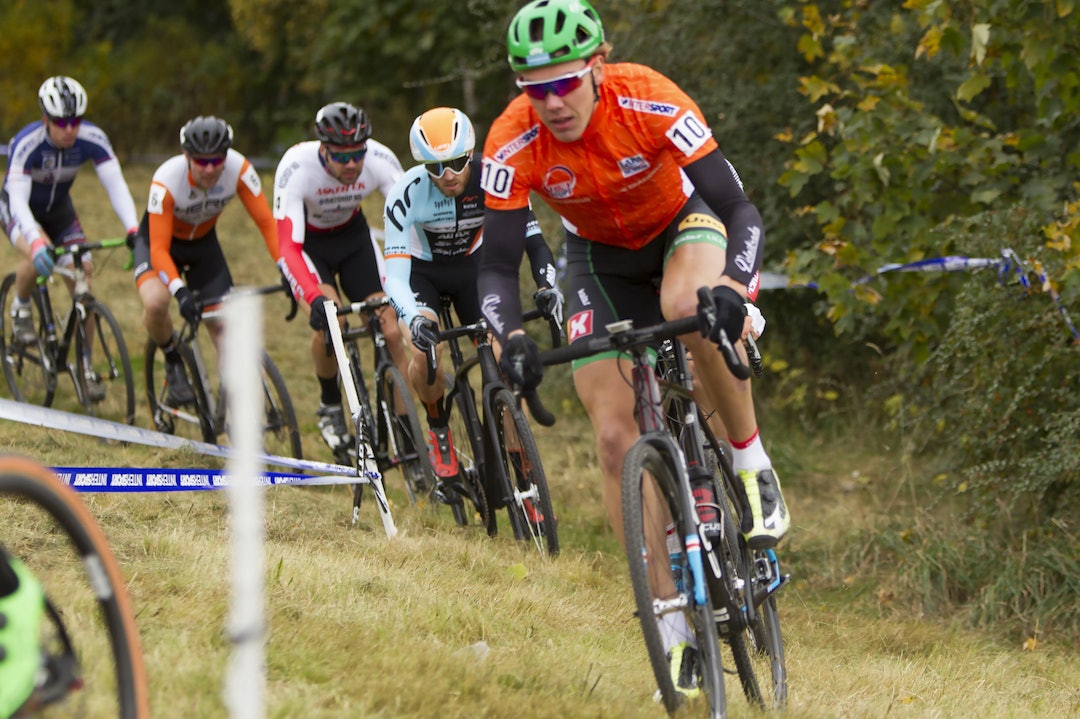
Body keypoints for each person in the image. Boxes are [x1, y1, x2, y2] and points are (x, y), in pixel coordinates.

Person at [478, 0, 790, 696]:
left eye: (563, 83)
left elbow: (739, 208)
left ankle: (749, 462)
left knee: (690, 308)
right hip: (597, 258)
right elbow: (497, 267)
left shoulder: (648, 97)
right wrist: (511, 338)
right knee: (617, 436)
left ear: (596, 67)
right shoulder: (509, 141)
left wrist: (737, 286)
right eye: (535, 89)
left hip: (686, 224)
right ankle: (671, 619)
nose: (551, 102)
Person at [382, 106, 562, 497]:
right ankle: (438, 430)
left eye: (457, 162)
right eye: (435, 166)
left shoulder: (496, 176)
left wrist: (548, 285)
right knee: (427, 351)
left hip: (473, 269)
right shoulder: (406, 192)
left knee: (507, 359)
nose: (447, 175)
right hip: (422, 274)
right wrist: (413, 319)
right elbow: (393, 275)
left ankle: (523, 471)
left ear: (471, 153)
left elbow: (533, 240)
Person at [275, 102, 410, 461]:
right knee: (333, 322)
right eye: (341, 156)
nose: (352, 164)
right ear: (323, 149)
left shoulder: (380, 158)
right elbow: (288, 245)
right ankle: (330, 404)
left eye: (357, 155)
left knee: (391, 328)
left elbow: (413, 214)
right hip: (311, 247)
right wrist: (313, 297)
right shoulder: (296, 167)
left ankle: (407, 431)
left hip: (353, 239)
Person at [1, 76, 140, 400]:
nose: (69, 129)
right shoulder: (27, 144)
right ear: (45, 119)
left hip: (60, 211)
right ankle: (20, 307)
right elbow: (18, 199)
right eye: (61, 122)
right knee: (39, 258)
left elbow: (116, 184)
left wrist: (133, 228)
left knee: (84, 280)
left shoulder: (92, 139)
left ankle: (86, 366)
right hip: (18, 209)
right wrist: (35, 241)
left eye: (75, 121)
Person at [130, 116, 280, 405]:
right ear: (187, 156)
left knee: (223, 327)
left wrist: (285, 267)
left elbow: (267, 224)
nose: (210, 169)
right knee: (156, 302)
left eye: (217, 160)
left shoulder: (239, 170)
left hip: (203, 247)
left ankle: (229, 405)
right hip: (159, 246)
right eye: (202, 161)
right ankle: (172, 359)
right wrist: (179, 291)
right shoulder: (166, 180)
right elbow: (159, 250)